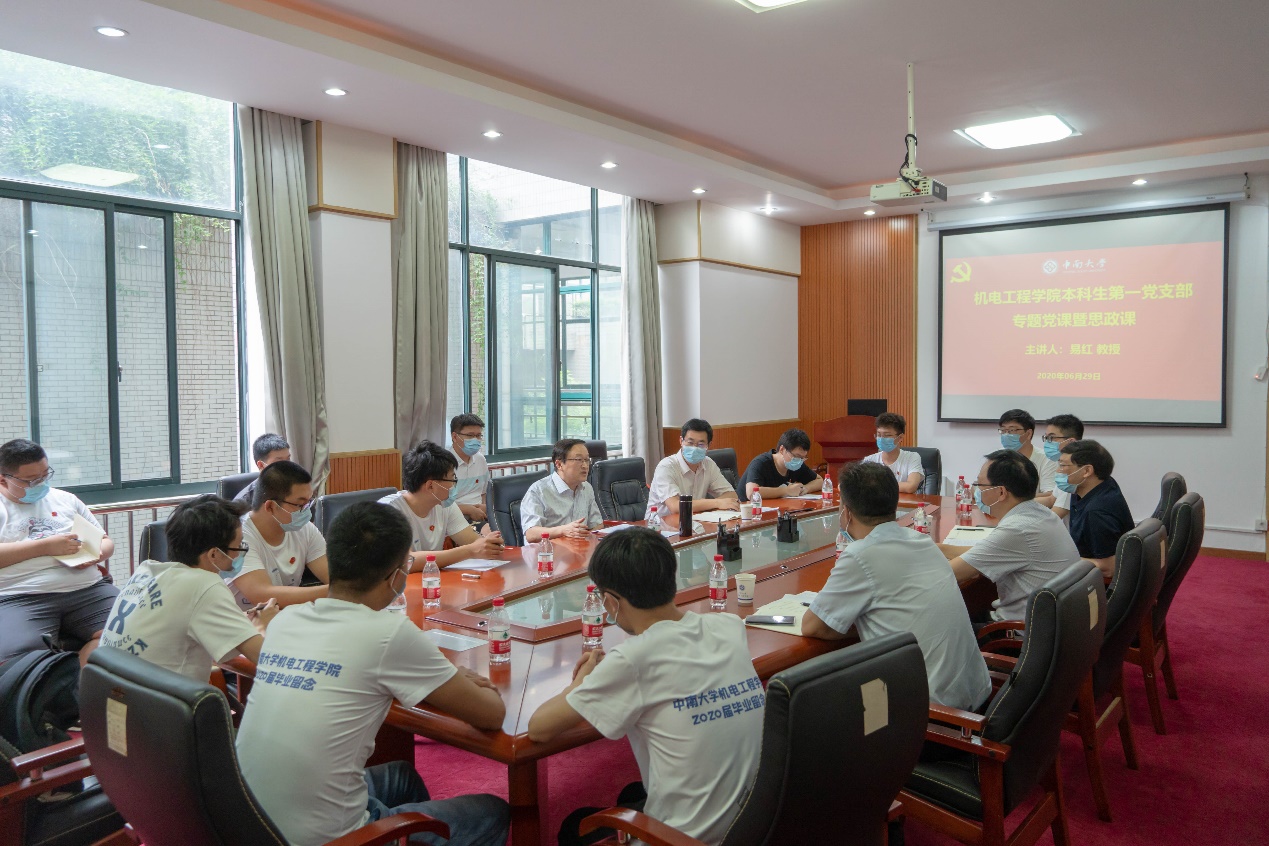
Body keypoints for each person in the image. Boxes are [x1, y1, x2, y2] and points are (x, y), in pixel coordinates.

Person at [235, 502, 508, 846]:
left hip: (250, 823)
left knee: (402, 776)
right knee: (492, 812)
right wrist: (463, 680)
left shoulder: (285, 619)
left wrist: (442, 676)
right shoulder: (388, 633)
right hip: (329, 840)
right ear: (396, 576)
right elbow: (492, 714)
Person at [528, 528, 764, 846]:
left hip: (682, 840)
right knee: (631, 793)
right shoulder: (728, 626)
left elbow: (539, 728)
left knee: (576, 825)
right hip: (755, 825)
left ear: (610, 602)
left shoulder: (632, 659)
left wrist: (582, 682)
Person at [802, 462, 991, 711]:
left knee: (820, 705)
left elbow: (813, 626)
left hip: (933, 714)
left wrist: (862, 623)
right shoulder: (922, 540)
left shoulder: (860, 555)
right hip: (977, 694)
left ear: (846, 512)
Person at [98, 495, 278, 681]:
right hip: (159, 697)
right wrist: (262, 626)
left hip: (110, 691)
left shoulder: (146, 571)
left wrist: (242, 623)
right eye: (238, 546)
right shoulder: (205, 585)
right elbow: (267, 660)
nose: (241, 552)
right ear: (214, 554)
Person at [0, 438, 117, 665]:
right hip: (20, 595)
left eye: (45, 475)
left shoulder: (65, 500)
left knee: (134, 634)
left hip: (87, 589)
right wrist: (45, 546)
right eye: (31, 480)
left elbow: (106, 542)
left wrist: (95, 554)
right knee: (20, 662)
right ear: (3, 479)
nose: (41, 483)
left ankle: (85, 680)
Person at [940, 450, 1079, 622]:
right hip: (1054, 621)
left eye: (979, 484)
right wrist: (939, 548)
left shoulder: (1018, 529)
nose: (976, 490)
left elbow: (949, 573)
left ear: (1001, 492)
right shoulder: (1039, 512)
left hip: (1017, 630)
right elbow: (982, 552)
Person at [379, 441, 504, 569]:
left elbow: (473, 541)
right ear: (431, 486)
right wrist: (470, 551)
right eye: (452, 479)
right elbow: (406, 562)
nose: (454, 485)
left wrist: (488, 543)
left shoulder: (445, 505)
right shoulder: (389, 511)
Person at [224, 461, 328, 611]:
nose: (306, 511)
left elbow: (333, 575)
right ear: (271, 506)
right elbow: (262, 596)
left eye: (309, 502)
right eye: (300, 505)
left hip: (284, 617)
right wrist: (336, 591)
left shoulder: (305, 529)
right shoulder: (238, 536)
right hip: (244, 620)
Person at [1059, 440, 1134, 578]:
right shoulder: (1103, 484)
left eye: (1063, 466)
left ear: (1087, 471)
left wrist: (1062, 560)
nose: (1058, 471)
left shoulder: (1096, 513)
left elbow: (1109, 568)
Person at [646, 419, 739, 520]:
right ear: (681, 441)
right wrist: (717, 503)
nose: (694, 448)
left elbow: (732, 495)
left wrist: (711, 504)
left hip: (694, 521)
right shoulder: (666, 467)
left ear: (708, 445)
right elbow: (675, 506)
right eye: (690, 443)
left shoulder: (708, 464)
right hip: (659, 526)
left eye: (701, 444)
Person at [521, 439, 605, 542]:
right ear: (559, 464)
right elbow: (531, 534)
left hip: (579, 548)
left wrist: (588, 540)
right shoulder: (538, 491)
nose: (585, 466)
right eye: (579, 460)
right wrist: (563, 530)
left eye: (587, 460)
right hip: (549, 550)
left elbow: (597, 525)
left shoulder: (586, 488)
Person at [737, 427, 823, 500]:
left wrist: (805, 488)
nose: (799, 461)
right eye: (796, 456)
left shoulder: (797, 464)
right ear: (782, 450)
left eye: (802, 458)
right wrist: (786, 491)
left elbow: (820, 481)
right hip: (748, 510)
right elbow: (751, 493)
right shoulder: (761, 463)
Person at [997, 409, 1058, 508]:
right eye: (1003, 430)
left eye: (1012, 430)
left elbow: (1050, 495)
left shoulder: (1046, 459)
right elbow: (981, 487)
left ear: (1028, 433)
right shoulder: (997, 457)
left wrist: (1012, 500)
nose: (1006, 435)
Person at [448, 414, 495, 534]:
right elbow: (438, 504)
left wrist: (486, 507)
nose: (475, 440)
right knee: (492, 534)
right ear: (454, 436)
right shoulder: (444, 463)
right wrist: (468, 510)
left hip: (481, 516)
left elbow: (484, 493)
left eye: (478, 435)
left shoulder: (480, 460)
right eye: (470, 435)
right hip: (455, 519)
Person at [862, 412, 925, 494]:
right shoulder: (869, 460)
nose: (882, 439)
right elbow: (861, 485)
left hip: (903, 502)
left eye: (887, 435)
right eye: (879, 435)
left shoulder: (912, 457)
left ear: (900, 437)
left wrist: (876, 485)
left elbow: (911, 487)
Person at [1043, 414, 1084, 518]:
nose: (1047, 442)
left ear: (1071, 442)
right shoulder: (1063, 463)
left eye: (1052, 438)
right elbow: (1051, 499)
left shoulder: (1075, 470)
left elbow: (1054, 518)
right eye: (1046, 438)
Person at [233, 433, 292, 506]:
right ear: (261, 465)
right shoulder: (244, 502)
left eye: (288, 459)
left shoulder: (296, 487)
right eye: (279, 462)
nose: (287, 466)